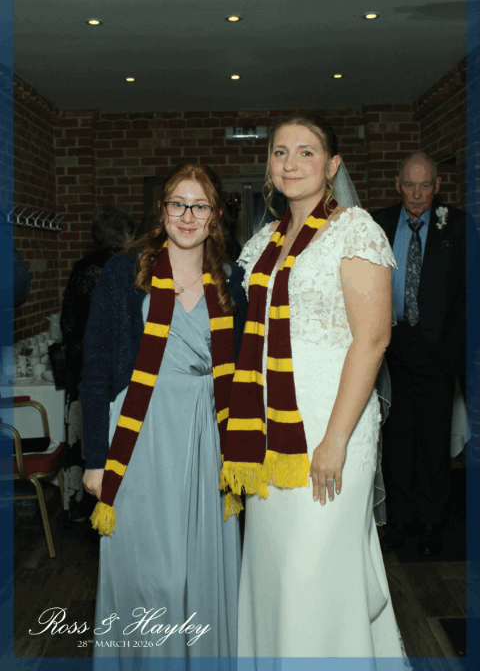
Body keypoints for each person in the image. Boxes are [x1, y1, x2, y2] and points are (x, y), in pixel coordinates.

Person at [220, 114, 407, 661]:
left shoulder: (354, 230)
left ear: (332, 165)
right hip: (271, 431)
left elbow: (373, 339)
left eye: (306, 152)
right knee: (277, 569)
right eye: (280, 152)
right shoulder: (263, 243)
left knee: (313, 570)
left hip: (330, 423)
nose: (291, 163)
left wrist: (336, 440)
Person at [80, 163, 247, 667]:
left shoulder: (232, 280)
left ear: (215, 215)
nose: (188, 216)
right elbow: (94, 368)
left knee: (199, 572)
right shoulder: (123, 273)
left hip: (204, 439)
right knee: (155, 577)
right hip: (140, 438)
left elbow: (246, 374)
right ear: (162, 210)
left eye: (200, 206)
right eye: (178, 204)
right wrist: (94, 459)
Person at [372, 152, 467, 557]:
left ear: (437, 186)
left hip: (437, 354)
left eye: (424, 185)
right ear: (398, 184)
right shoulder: (378, 223)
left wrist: (454, 345)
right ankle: (399, 521)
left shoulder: (458, 226)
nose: (416, 194)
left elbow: (467, 293)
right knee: (395, 441)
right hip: (388, 349)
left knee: (433, 443)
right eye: (409, 185)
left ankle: (431, 524)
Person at [60, 203, 135, 526]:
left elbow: (67, 323)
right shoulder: (127, 270)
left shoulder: (82, 267)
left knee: (85, 438)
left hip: (85, 366)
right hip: (121, 373)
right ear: (125, 236)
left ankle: (82, 505)